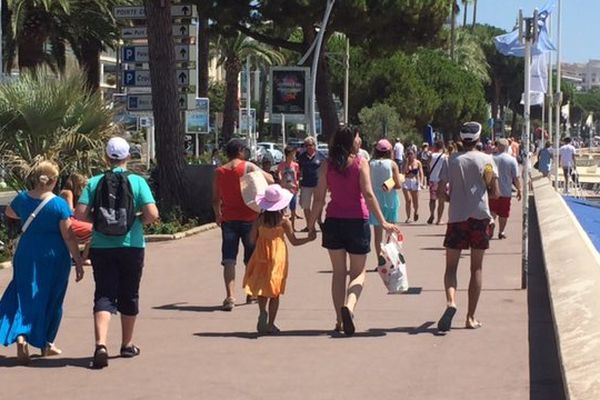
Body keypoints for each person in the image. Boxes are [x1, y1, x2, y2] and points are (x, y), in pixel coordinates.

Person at [75, 137, 159, 369]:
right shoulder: (138, 182)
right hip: (132, 245)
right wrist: (133, 219)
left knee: (103, 293)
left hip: (102, 247)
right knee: (129, 293)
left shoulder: (94, 182)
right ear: (128, 157)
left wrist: (100, 221)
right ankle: (127, 344)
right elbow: (152, 214)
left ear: (105, 157)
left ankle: (100, 344)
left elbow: (80, 214)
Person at [308, 127, 400, 336]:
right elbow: (368, 193)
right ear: (350, 142)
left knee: (338, 273)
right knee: (358, 273)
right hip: (357, 221)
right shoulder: (360, 163)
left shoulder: (326, 165)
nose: (359, 140)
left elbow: (319, 199)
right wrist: (384, 221)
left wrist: (312, 224)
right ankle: (349, 306)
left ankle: (340, 320)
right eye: (357, 137)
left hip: (333, 221)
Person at [0, 161, 84, 364]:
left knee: (24, 293)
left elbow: (10, 213)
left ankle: (21, 334)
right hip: (53, 255)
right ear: (54, 180)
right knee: (52, 297)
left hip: (27, 251)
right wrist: (78, 261)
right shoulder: (59, 204)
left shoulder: (21, 198)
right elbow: (68, 236)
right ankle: (46, 342)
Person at [436, 122, 499, 332]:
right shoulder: (487, 159)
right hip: (480, 216)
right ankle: (470, 317)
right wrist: (485, 187)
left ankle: (451, 302)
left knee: (451, 268)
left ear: (461, 139)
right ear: (478, 139)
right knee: (476, 268)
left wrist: (452, 197)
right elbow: (495, 193)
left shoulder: (451, 161)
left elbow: (440, 193)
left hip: (456, 217)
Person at [243, 185, 316, 334]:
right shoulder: (284, 221)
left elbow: (250, 239)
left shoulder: (260, 220)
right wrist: (308, 239)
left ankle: (262, 311)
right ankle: (271, 324)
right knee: (275, 291)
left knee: (263, 286)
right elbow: (294, 242)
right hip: (278, 256)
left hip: (261, 253)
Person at [212, 139, 274, 312]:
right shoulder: (248, 167)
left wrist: (218, 214)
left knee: (229, 259)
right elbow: (269, 179)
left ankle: (230, 296)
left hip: (229, 219)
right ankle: (251, 292)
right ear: (240, 150)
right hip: (251, 218)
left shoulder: (220, 171)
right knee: (251, 258)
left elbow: (215, 198)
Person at [368, 139, 403, 266]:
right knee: (390, 232)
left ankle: (380, 261)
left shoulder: (370, 163)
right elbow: (398, 185)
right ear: (389, 151)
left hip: (375, 201)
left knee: (377, 234)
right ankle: (390, 260)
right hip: (390, 200)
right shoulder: (392, 164)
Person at [489, 139, 522, 239]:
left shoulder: (490, 158)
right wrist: (519, 189)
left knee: (492, 211)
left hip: (492, 191)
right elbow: (515, 177)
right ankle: (501, 232)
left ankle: (491, 225)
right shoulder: (511, 160)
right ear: (508, 147)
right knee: (504, 213)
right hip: (506, 191)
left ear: (497, 146)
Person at [60, 173, 93, 265]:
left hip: (70, 220)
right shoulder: (67, 193)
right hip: (68, 221)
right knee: (94, 230)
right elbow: (70, 211)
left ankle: (84, 256)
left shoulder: (67, 192)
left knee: (95, 228)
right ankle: (83, 258)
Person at [297, 136, 325, 231]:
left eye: (310, 145)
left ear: (314, 145)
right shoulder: (301, 157)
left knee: (319, 204)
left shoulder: (321, 156)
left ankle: (319, 221)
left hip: (318, 184)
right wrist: (299, 182)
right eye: (306, 145)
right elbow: (299, 170)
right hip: (306, 184)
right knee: (306, 205)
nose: (308, 147)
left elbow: (325, 170)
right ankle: (309, 226)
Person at [277, 145, 301, 231]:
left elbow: (297, 176)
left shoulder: (295, 165)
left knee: (293, 209)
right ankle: (282, 226)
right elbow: (279, 175)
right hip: (284, 190)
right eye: (292, 154)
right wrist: (282, 181)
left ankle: (293, 227)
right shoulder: (281, 165)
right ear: (288, 155)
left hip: (293, 190)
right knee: (283, 209)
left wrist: (297, 183)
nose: (294, 156)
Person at [401, 149, 424, 223]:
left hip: (415, 182)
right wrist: (407, 163)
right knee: (408, 200)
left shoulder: (418, 162)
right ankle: (408, 217)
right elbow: (403, 172)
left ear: (414, 154)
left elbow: (421, 173)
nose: (410, 155)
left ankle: (416, 212)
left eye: (411, 154)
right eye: (408, 154)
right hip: (406, 181)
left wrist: (421, 182)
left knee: (415, 201)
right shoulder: (405, 162)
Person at [427, 140, 447, 225]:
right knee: (441, 201)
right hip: (441, 180)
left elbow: (428, 166)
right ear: (442, 147)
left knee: (432, 199)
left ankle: (432, 214)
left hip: (432, 179)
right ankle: (439, 219)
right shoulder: (445, 156)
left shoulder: (431, 156)